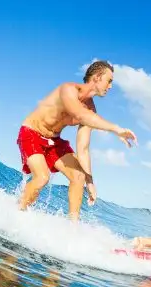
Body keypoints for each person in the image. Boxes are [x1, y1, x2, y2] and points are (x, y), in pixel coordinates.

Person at [16, 60, 137, 222]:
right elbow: (80, 115)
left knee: (78, 175)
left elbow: (83, 148)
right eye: (109, 81)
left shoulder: (91, 109)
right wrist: (117, 129)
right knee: (42, 177)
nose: (110, 86)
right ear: (97, 77)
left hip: (54, 141)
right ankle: (18, 213)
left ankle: (73, 228)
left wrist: (90, 182)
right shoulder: (68, 90)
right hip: (31, 133)